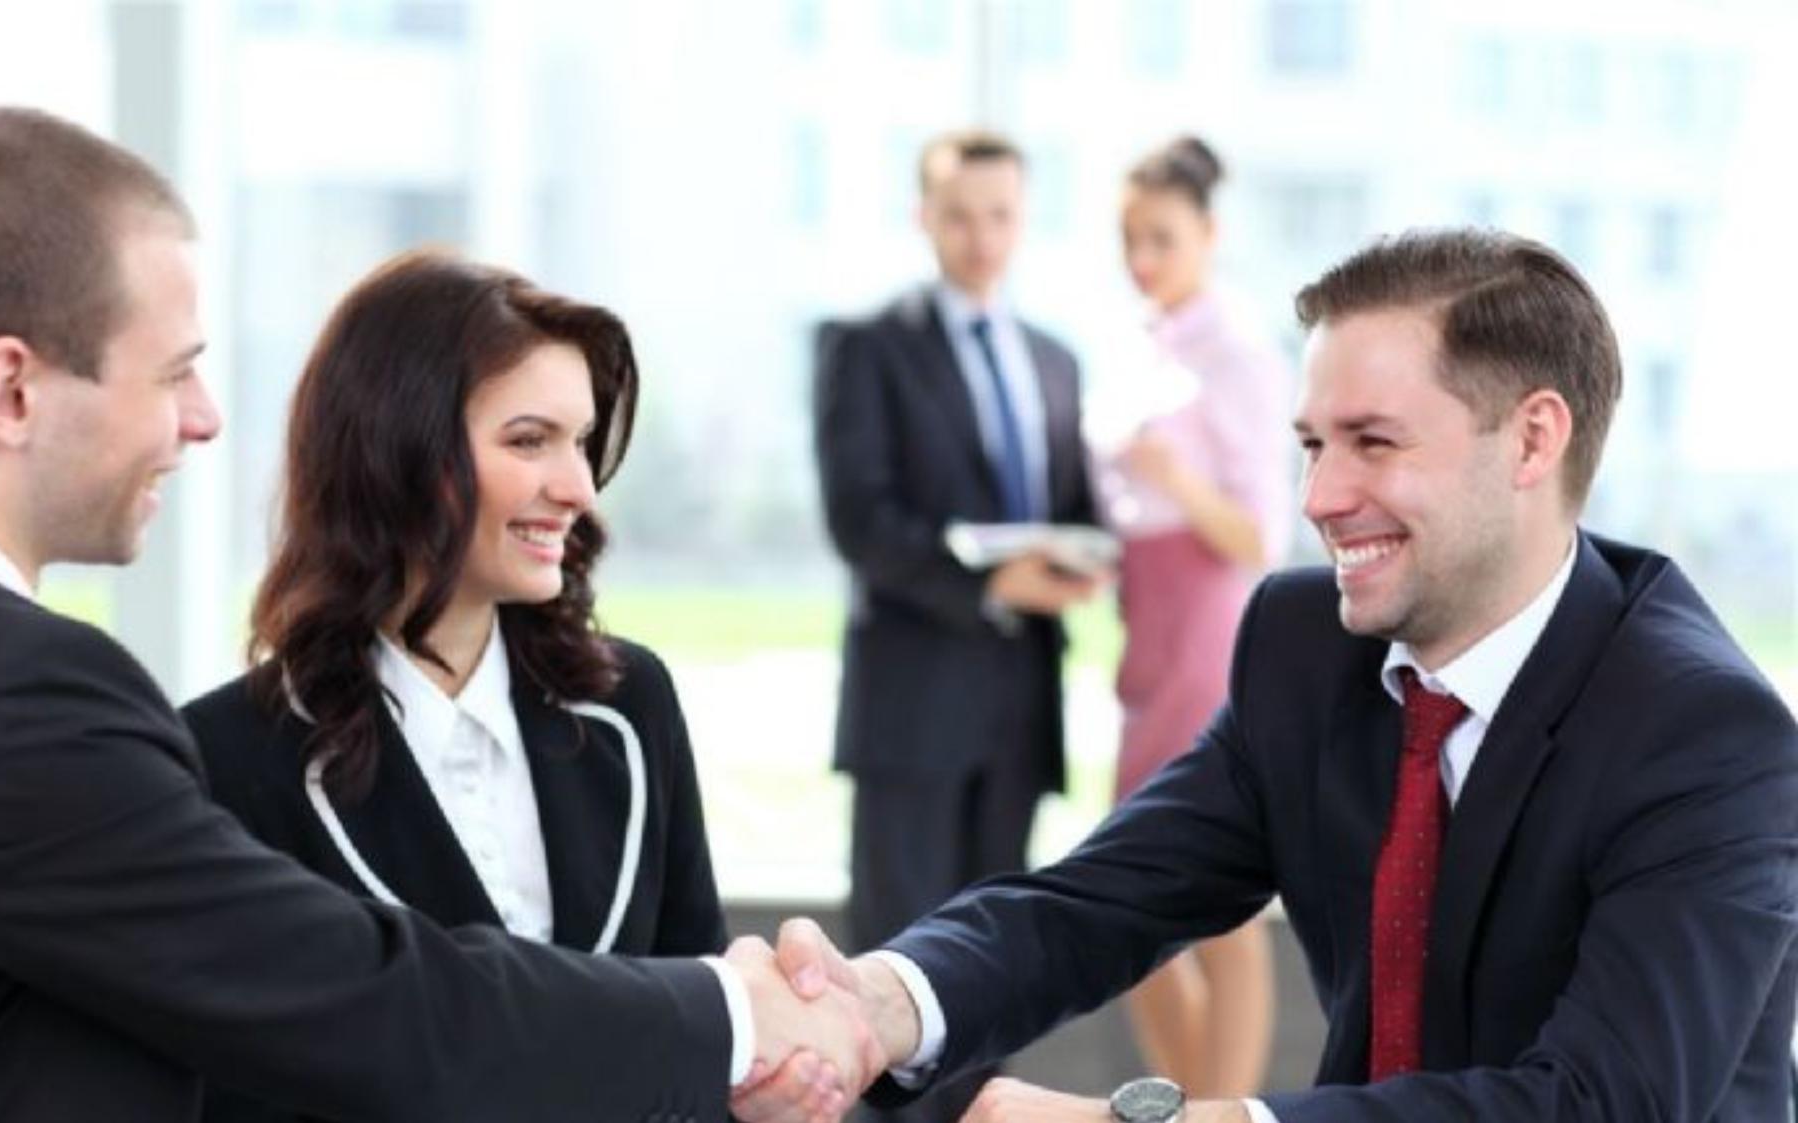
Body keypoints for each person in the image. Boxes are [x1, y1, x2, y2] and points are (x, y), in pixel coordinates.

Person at [0, 106, 874, 1123]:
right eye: (173, 373)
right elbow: (371, 1005)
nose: (206, 420)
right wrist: (729, 1010)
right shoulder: (21, 698)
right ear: (11, 391)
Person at [761, 227, 1798, 1122]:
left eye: (1370, 443)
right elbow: (1094, 902)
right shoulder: (1305, 646)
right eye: (1309, 444)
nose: (1318, 496)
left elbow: (1598, 1104)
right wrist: (877, 1003)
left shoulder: (1704, 736)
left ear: (1531, 438)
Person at [183, 250, 728, 1122]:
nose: (578, 487)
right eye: (529, 440)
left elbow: (702, 1026)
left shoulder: (633, 704)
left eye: (582, 442)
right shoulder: (227, 759)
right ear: (398, 447)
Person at [812, 127, 1101, 1123]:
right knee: (894, 962)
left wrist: (1076, 561)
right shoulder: (867, 345)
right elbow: (861, 522)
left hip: (1019, 705)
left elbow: (1073, 504)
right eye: (959, 214)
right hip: (911, 705)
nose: (981, 237)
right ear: (922, 216)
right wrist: (987, 585)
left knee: (999, 961)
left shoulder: (1055, 360)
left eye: (999, 215)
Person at [1096, 136, 1288, 1100]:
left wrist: (1172, 476)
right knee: (1132, 903)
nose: (1142, 259)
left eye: (1162, 238)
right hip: (1145, 628)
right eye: (1129, 238)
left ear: (1209, 235)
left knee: (1218, 901)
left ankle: (1222, 1111)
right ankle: (1197, 1106)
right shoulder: (1137, 344)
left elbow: (1261, 534)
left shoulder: (1239, 354)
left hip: (1208, 633)